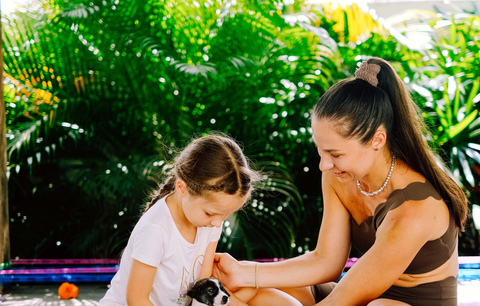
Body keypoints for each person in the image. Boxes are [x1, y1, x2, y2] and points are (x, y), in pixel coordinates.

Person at [213, 57, 469, 306]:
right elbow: (326, 261)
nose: (324, 164)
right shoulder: (340, 176)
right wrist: (243, 273)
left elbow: (341, 301)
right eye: (320, 150)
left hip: (403, 303)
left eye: (335, 154)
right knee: (247, 288)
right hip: (358, 293)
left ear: (377, 140)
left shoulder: (414, 209)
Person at [99, 133, 269, 306]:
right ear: (182, 188)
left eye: (226, 215)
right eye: (210, 214)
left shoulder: (210, 220)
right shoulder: (155, 229)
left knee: (263, 293)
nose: (218, 223)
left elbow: (203, 284)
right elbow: (137, 300)